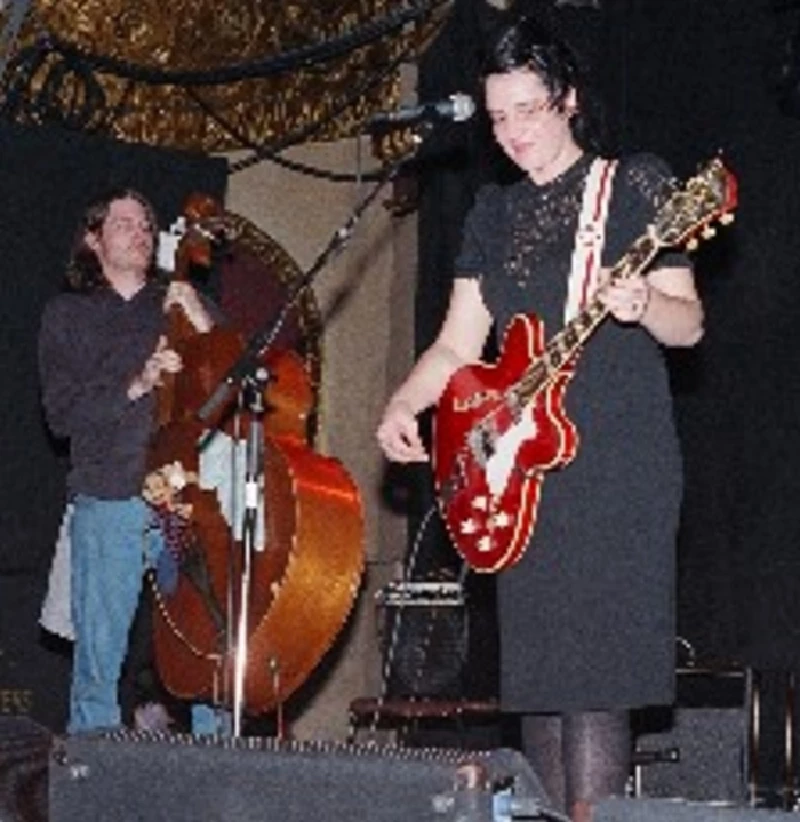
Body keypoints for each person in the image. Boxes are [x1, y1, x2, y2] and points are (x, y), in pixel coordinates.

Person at [376, 16, 704, 822]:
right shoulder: (493, 212)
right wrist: (405, 401)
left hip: (614, 467)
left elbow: (689, 323)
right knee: (543, 693)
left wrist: (644, 301)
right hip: (523, 474)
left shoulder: (634, 186)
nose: (513, 132)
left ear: (567, 102)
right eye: (498, 117)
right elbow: (459, 345)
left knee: (594, 691)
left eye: (528, 110)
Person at [38, 188, 219, 735]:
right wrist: (137, 383)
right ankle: (92, 781)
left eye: (146, 224)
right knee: (100, 658)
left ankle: (223, 767)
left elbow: (237, 376)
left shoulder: (178, 299)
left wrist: (199, 319)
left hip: (186, 496)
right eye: (124, 224)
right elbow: (62, 414)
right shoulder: (68, 314)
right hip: (110, 494)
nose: (140, 232)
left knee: (206, 641)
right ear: (93, 240)